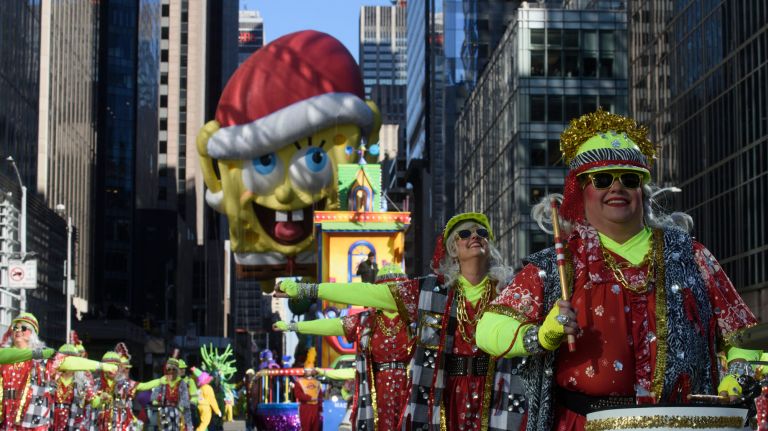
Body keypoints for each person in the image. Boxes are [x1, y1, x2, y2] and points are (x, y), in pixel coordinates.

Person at [475, 109, 761, 430]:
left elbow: (743, 337)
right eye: (602, 179)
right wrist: (541, 335)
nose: (617, 187)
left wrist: (738, 375)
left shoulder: (692, 256)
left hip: (681, 423)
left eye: (629, 179)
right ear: (581, 190)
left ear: (642, 190)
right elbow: (487, 329)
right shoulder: (557, 265)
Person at [274, 212, 521, 431]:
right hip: (443, 393)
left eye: (482, 233)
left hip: (496, 389)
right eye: (465, 233)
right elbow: (361, 294)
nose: (475, 236)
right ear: (453, 249)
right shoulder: (428, 292)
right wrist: (306, 291)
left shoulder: (509, 291)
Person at [273, 263, 413, 431]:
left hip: (410, 390)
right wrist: (293, 326)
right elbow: (331, 325)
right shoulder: (366, 320)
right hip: (375, 394)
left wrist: (301, 292)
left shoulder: (415, 318)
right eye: (385, 290)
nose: (392, 293)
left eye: (395, 289)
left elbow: (350, 294)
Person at [0, 313, 118, 431]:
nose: (18, 331)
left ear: (32, 333)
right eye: (15, 327)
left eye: (23, 328)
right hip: (9, 423)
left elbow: (70, 362)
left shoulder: (44, 359)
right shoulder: (5, 357)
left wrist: (102, 366)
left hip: (35, 421)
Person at [151, 358, 191, 431]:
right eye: (181, 369)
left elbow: (187, 397)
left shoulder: (186, 381)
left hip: (180, 410)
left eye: (183, 369)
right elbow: (155, 393)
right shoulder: (164, 381)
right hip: (165, 410)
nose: (183, 370)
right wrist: (155, 400)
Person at [293, 348, 322, 431]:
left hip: (315, 408)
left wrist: (320, 408)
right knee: (306, 427)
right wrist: (309, 398)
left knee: (315, 428)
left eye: (309, 370)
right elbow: (298, 394)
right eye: (306, 370)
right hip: (305, 407)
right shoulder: (300, 382)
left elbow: (319, 395)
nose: (308, 371)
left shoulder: (317, 382)